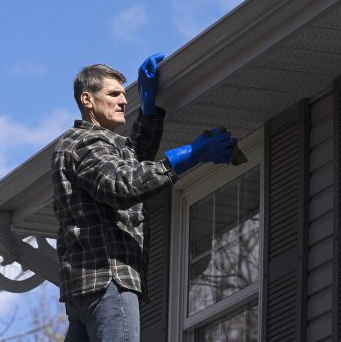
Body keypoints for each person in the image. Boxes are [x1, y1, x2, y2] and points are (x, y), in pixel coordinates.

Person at [51, 55, 237, 342]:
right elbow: (123, 184)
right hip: (109, 276)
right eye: (114, 94)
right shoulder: (85, 142)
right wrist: (191, 153)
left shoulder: (90, 145)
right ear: (87, 100)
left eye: (125, 95)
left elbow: (132, 162)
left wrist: (148, 108)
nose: (123, 101)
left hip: (87, 285)